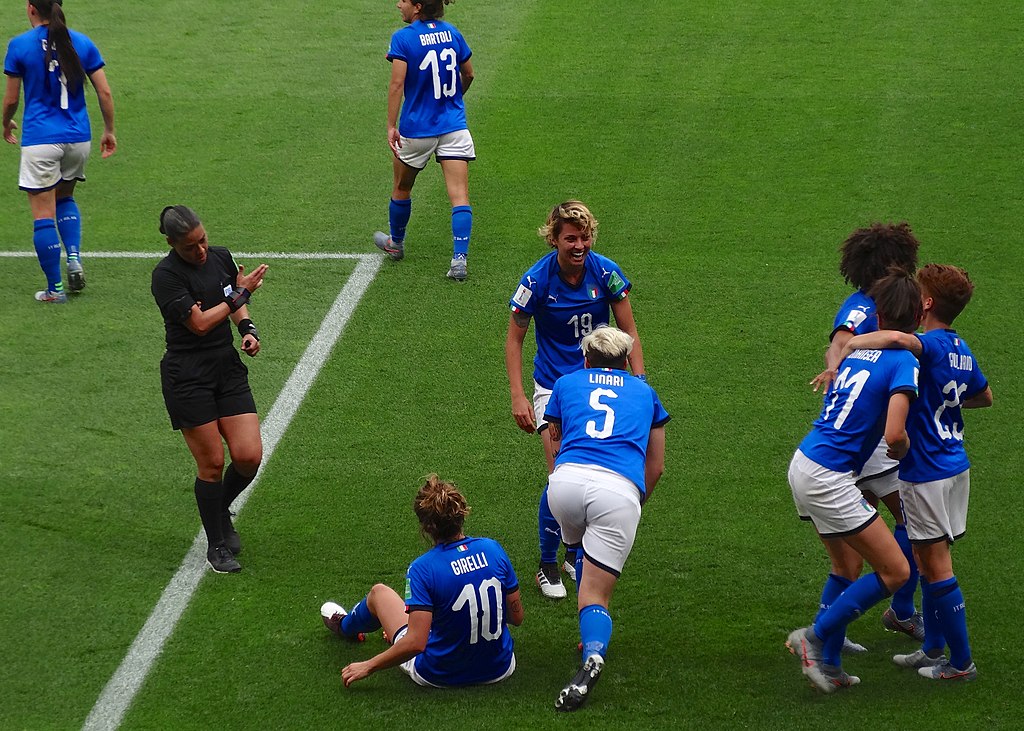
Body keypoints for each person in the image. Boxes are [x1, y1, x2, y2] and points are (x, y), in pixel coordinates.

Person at [841, 264, 992, 682]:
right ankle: (932, 648)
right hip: (955, 464)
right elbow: (985, 396)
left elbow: (895, 338)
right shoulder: (961, 347)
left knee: (937, 566)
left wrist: (851, 346)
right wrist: (946, 404)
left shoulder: (929, 345)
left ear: (926, 303)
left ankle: (960, 664)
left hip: (925, 471)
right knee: (930, 561)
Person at [786, 268, 922, 693]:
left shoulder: (856, 352)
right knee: (897, 571)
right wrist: (904, 454)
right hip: (830, 477)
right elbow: (894, 435)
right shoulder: (903, 361)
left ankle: (828, 664)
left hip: (805, 460)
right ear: (918, 317)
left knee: (847, 565)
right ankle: (814, 637)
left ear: (877, 315)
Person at [504, 200, 646, 600]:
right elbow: (514, 339)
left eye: (584, 237)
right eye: (570, 238)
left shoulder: (607, 272)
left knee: (595, 470)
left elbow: (629, 331)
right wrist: (519, 395)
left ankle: (574, 552)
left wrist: (640, 383)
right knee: (561, 474)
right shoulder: (536, 281)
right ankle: (549, 564)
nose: (579, 244)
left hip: (602, 382)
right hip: (554, 388)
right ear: (554, 239)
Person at [542, 326, 668, 711]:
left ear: (586, 359)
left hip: (564, 486)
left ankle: (585, 627)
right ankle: (593, 654)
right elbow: (657, 466)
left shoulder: (565, 383)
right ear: (628, 362)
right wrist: (633, 502)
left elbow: (554, 436)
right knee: (596, 593)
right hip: (617, 492)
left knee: (579, 548)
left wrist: (558, 476)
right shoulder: (645, 393)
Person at [810, 222, 923, 645]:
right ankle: (902, 610)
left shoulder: (872, 301)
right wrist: (837, 364)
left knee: (853, 547)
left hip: (849, 436)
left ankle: (833, 633)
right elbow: (840, 341)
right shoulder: (867, 305)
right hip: (871, 441)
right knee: (914, 521)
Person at [151, 205, 269, 574]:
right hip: (187, 375)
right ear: (172, 244)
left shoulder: (220, 257)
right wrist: (241, 295)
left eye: (203, 240)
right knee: (212, 463)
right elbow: (200, 323)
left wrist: (247, 329)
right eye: (190, 247)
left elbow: (232, 302)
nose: (201, 250)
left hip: (225, 366)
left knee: (249, 456)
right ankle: (216, 545)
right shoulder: (166, 276)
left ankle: (218, 508)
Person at [321, 475, 524, 688]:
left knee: (379, 593)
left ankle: (345, 626)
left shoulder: (423, 568)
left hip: (439, 673)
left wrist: (368, 665)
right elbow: (516, 617)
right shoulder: (493, 549)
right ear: (462, 514)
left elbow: (416, 644)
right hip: (500, 667)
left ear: (426, 527)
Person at [3, 0, 116, 302]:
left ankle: (54, 290)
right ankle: (74, 257)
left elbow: (12, 99)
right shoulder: (81, 42)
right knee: (65, 197)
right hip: (78, 139)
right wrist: (109, 130)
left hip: (41, 139)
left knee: (43, 215)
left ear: (30, 8)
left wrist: (5, 123)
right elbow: (104, 91)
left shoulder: (19, 45)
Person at [372, 0, 476, 281]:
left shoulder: (403, 38)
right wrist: (453, 100)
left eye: (403, 1)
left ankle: (396, 244)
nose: (398, 5)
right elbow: (469, 73)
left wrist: (391, 125)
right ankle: (459, 261)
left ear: (417, 6)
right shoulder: (452, 33)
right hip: (454, 126)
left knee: (402, 186)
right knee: (459, 196)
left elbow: (396, 85)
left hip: (417, 129)